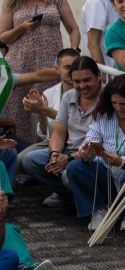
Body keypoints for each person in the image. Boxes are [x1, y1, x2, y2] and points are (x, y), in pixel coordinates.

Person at [64, 74, 125, 232]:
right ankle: (99, 209)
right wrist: (86, 152)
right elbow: (89, 140)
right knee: (75, 167)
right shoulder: (104, 116)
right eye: (114, 103)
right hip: (108, 177)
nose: (118, 108)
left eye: (124, 104)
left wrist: (123, 162)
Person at [0, 0, 81, 143]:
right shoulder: (12, 1)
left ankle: (50, 151)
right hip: (21, 62)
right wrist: (21, 27)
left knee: (49, 107)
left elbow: (73, 28)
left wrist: (74, 50)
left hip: (51, 61)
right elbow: (2, 36)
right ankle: (20, 156)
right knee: (21, 111)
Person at [22, 57, 101, 207]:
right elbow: (59, 130)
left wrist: (69, 158)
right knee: (30, 160)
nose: (82, 86)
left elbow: (100, 144)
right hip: (68, 152)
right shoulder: (68, 96)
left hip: (93, 155)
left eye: (87, 80)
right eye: (77, 82)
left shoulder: (108, 99)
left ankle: (93, 204)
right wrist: (55, 154)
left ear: (98, 77)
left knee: (68, 174)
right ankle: (72, 198)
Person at [18, 49, 80, 177]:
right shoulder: (49, 92)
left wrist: (44, 110)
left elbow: (76, 123)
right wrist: (41, 113)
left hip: (76, 141)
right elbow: (44, 133)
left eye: (75, 66)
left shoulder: (85, 91)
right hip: (52, 141)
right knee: (20, 160)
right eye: (67, 67)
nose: (71, 71)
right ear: (57, 69)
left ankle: (61, 186)